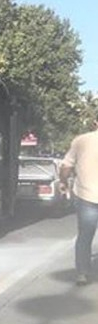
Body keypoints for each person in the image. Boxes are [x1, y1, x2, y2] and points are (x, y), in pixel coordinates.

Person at [60, 121, 98, 285]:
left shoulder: (81, 140)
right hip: (86, 196)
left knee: (85, 236)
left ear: (95, 123)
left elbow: (66, 166)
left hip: (86, 196)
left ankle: (82, 273)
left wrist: (63, 182)